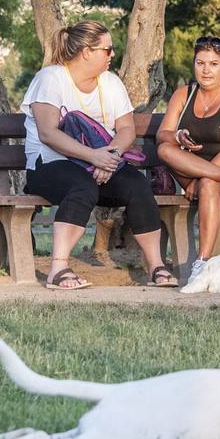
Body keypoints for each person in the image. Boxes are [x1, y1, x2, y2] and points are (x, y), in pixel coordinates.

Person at [21, 20, 174, 289]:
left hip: (101, 162)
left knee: (137, 185)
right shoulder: (50, 78)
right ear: (86, 52)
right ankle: (59, 269)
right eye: (108, 49)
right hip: (49, 165)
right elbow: (48, 133)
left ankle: (155, 266)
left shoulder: (111, 83)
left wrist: (110, 156)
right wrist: (94, 157)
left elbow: (126, 128)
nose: (112, 54)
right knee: (82, 187)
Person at [155, 35, 220, 283]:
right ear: (194, 65)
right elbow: (162, 135)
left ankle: (201, 264)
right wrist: (177, 136)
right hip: (201, 172)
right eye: (200, 63)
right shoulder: (183, 94)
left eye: (213, 64)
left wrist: (203, 179)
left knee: (210, 184)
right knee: (165, 150)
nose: (206, 70)